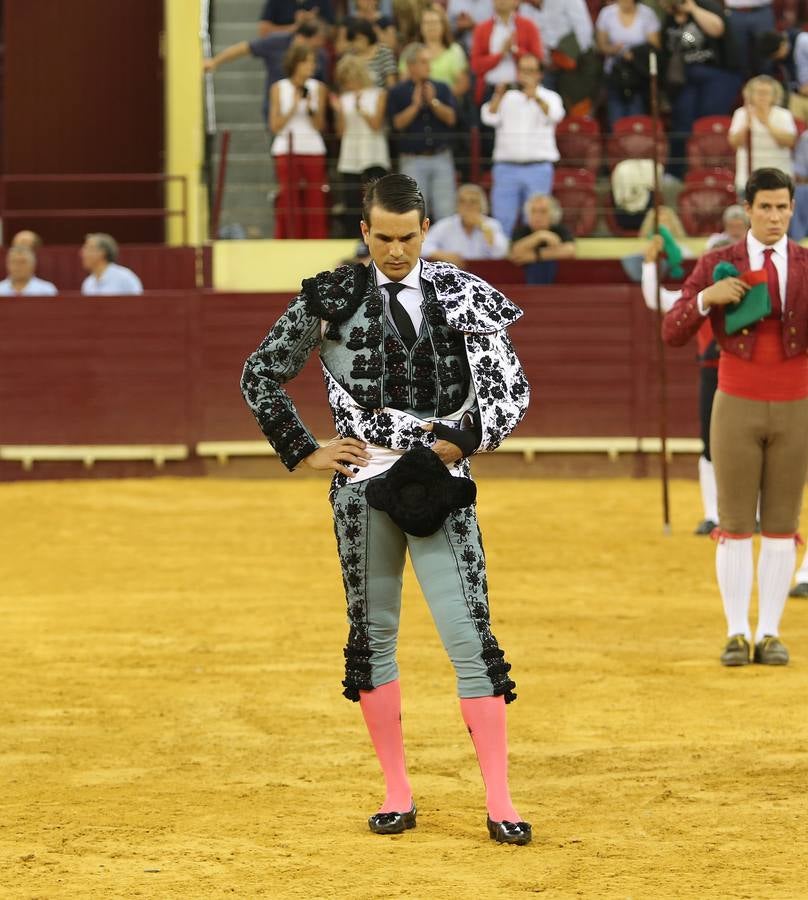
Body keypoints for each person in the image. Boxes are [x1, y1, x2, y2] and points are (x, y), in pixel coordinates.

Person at [241, 173, 532, 844]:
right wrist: (306, 450)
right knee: (372, 639)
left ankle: (500, 800)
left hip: (440, 480)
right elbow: (260, 374)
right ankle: (397, 792)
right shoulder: (330, 297)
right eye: (384, 238)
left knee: (469, 636)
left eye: (407, 238)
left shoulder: (462, 292)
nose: (396, 251)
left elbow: (510, 389)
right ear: (365, 231)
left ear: (425, 230)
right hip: (361, 482)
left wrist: (458, 444)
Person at [662, 167, 808, 667]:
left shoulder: (805, 265)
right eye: (765, 207)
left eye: (782, 207)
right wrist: (707, 298)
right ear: (748, 210)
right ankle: (736, 632)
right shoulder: (715, 263)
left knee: (783, 524)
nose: (774, 216)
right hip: (737, 403)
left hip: (796, 405)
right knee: (736, 523)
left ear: (792, 208)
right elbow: (672, 330)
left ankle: (769, 633)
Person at [641, 234, 732, 533]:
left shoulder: (746, 290)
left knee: (752, 443)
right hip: (712, 374)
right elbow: (656, 299)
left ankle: (752, 513)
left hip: (746, 373)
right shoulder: (700, 298)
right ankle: (713, 514)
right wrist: (649, 263)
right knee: (709, 444)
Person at [480, 54, 564, 239]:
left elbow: (555, 115)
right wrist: (498, 95)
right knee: (502, 221)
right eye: (523, 70)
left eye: (531, 71)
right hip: (506, 168)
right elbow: (488, 117)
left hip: (538, 168)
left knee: (537, 222)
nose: (526, 75)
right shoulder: (507, 96)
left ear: (540, 74)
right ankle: (503, 255)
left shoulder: (550, 97)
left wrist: (536, 98)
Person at [661, 0, 742, 180]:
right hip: (685, 78)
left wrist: (693, 9)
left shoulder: (706, 5)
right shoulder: (669, 17)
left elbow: (717, 29)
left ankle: (714, 172)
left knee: (709, 122)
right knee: (681, 121)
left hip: (718, 73)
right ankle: (675, 172)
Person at [388, 44, 458, 222]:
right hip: (412, 159)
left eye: (429, 61)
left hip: (441, 157)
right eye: (423, 62)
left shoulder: (442, 88)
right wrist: (415, 105)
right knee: (414, 213)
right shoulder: (397, 92)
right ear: (411, 66)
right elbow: (397, 124)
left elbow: (451, 118)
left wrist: (433, 101)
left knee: (446, 212)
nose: (429, 66)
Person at [203, 22, 328, 122]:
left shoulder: (320, 55)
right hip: (276, 108)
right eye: (317, 41)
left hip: (307, 111)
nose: (319, 45)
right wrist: (215, 61)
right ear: (302, 37)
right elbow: (244, 48)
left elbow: (322, 86)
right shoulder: (276, 42)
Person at [269, 45, 329, 238]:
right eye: (306, 62)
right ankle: (288, 237)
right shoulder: (279, 88)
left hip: (313, 147)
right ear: (295, 64)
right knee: (288, 197)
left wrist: (310, 107)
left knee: (315, 197)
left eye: (313, 62)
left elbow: (320, 125)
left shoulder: (319, 88)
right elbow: (275, 125)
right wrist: (293, 107)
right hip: (285, 148)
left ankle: (316, 237)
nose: (311, 66)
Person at [331, 55, 391, 236]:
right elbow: (340, 132)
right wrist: (339, 111)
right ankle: (353, 236)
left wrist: (361, 109)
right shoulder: (343, 98)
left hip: (373, 153)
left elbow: (376, 125)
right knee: (351, 200)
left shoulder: (378, 94)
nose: (347, 83)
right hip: (351, 153)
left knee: (376, 199)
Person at [728, 75, 798, 196]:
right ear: (750, 94)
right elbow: (734, 143)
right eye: (759, 92)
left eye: (766, 93)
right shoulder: (741, 114)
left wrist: (767, 123)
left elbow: (790, 141)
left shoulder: (783, 115)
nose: (762, 96)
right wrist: (746, 125)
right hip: (748, 179)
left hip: (779, 178)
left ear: (774, 95)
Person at [595, 0, 660, 127]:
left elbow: (655, 46)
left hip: (638, 75)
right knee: (615, 119)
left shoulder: (647, 14)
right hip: (615, 73)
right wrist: (614, 50)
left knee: (636, 120)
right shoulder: (607, 13)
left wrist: (634, 54)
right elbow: (601, 46)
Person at [470, 0, 543, 105]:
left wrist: (515, 50)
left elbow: (538, 61)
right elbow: (476, 65)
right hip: (490, 90)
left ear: (516, 2)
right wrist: (501, 54)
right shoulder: (481, 29)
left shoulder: (529, 26)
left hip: (521, 88)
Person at [421, 183, 509, 264]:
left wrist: (484, 227)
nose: (467, 206)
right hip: (454, 271)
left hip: (484, 272)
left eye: (473, 201)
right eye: (462, 201)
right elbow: (422, 245)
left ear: (482, 205)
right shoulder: (445, 225)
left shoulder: (492, 224)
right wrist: (440, 254)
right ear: (457, 205)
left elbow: (501, 253)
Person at [509, 192, 575, 284]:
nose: (537, 216)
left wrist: (535, 256)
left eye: (543, 211)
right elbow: (515, 253)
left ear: (553, 214)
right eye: (533, 211)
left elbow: (569, 250)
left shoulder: (560, 229)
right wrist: (540, 235)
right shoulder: (521, 230)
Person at [346, 19, 399, 88]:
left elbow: (391, 83)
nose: (355, 44)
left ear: (368, 36)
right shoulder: (349, 56)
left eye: (359, 39)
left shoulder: (384, 52)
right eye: (353, 41)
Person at [257, 0, 334, 37]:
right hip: (283, 49)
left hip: (314, 48)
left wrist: (314, 22)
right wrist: (295, 27)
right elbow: (263, 32)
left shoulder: (323, 1)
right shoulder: (276, 2)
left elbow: (333, 32)